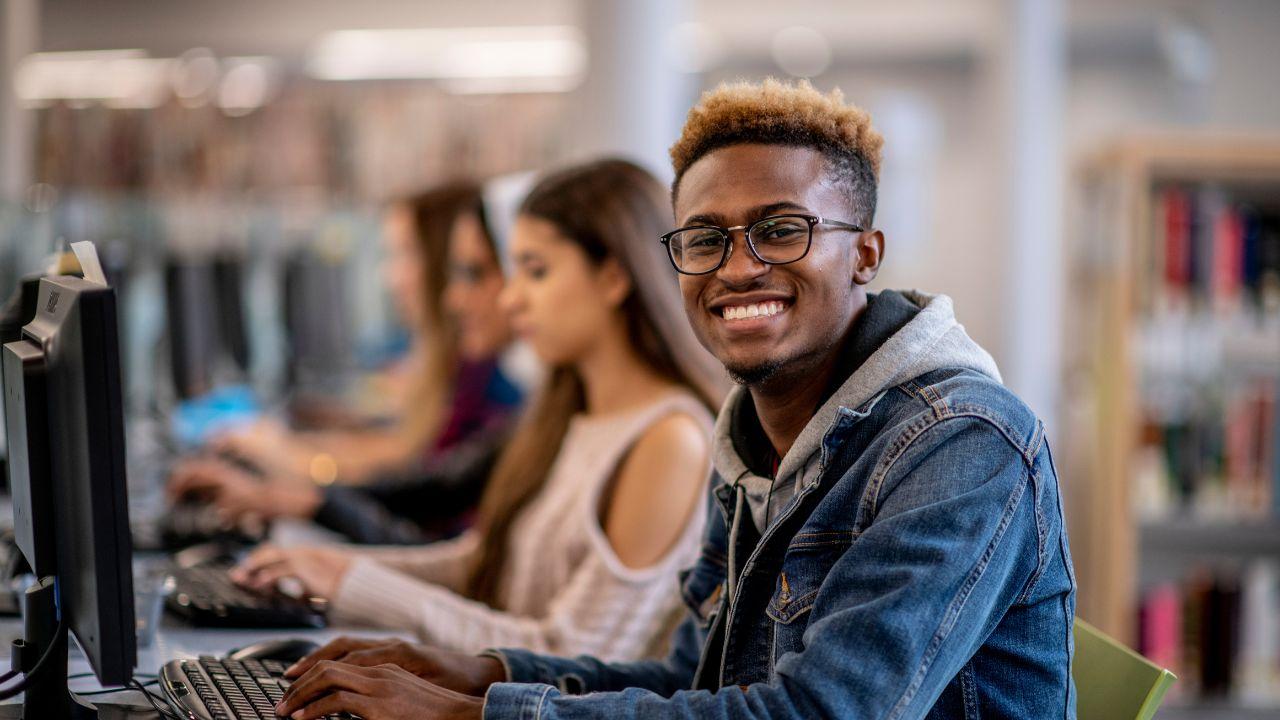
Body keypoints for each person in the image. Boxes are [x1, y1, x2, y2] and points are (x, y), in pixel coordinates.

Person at [272, 79, 1077, 720]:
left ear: (865, 254)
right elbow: (693, 675)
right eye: (705, 239)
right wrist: (476, 674)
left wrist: (473, 715)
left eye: (782, 230)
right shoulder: (755, 433)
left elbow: (819, 713)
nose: (736, 267)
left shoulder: (961, 444)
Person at [234, 158, 726, 662]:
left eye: (535, 271)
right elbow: (484, 563)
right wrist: (332, 569)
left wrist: (351, 583)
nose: (510, 300)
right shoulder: (572, 415)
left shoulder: (669, 438)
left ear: (614, 277)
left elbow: (573, 657)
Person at [170, 182, 526, 543]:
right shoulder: (479, 377)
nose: (389, 277)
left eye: (403, 254)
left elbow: (413, 481)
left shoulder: (494, 385)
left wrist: (299, 471)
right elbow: (419, 479)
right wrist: (295, 481)